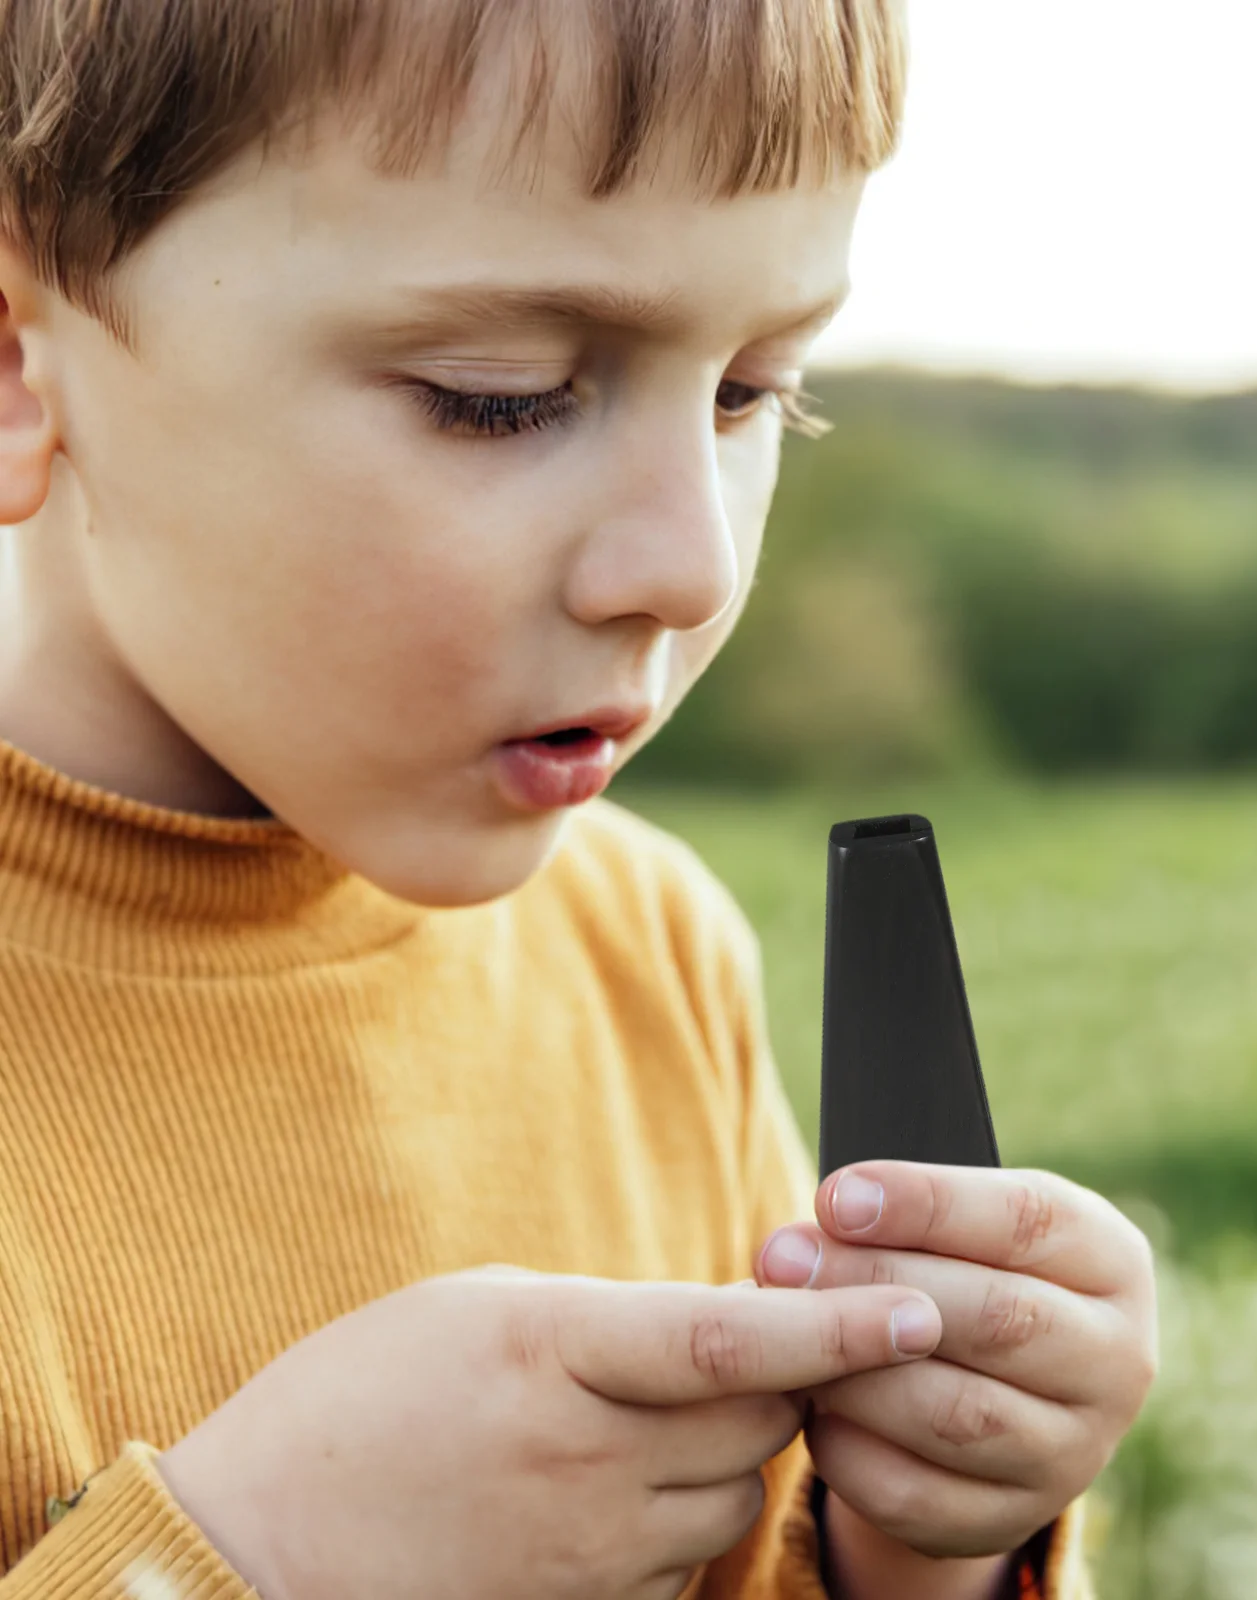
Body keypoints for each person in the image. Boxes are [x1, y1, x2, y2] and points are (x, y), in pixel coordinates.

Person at [0, 2, 1158, 1597]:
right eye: (502, 392)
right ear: (15, 358)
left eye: (756, 392)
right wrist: (239, 1566)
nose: (695, 561)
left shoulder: (648, 947)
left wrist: (913, 1548)